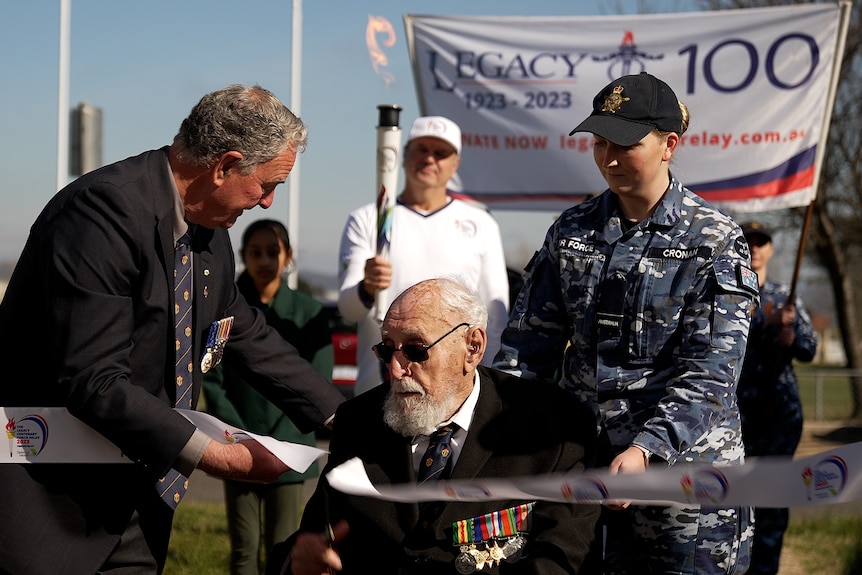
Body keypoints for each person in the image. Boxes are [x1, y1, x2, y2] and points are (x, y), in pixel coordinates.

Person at [0, 84, 345, 575]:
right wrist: (219, 459)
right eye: (266, 185)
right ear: (224, 166)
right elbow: (95, 381)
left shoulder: (211, 236)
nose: (268, 203)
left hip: (141, 505)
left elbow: (247, 336)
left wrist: (348, 421)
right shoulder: (103, 212)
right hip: (53, 506)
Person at [494, 72, 759, 574]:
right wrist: (501, 431)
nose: (609, 159)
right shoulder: (571, 232)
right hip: (584, 472)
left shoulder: (715, 240)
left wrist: (646, 449)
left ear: (669, 145)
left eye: (624, 144)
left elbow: (712, 374)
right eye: (599, 143)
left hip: (684, 486)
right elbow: (528, 348)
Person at [268, 277, 600, 575]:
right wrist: (298, 566)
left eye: (415, 350)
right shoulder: (359, 423)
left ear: (472, 348)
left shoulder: (552, 429)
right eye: (387, 350)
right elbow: (311, 540)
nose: (397, 369)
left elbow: (561, 558)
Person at [337, 115, 510, 396]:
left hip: (454, 394)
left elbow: (495, 317)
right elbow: (348, 309)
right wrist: (367, 287)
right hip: (381, 389)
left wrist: (491, 386)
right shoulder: (367, 219)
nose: (430, 159)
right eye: (421, 149)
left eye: (441, 153)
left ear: (455, 164)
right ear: (403, 155)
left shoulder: (481, 224)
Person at [203, 219, 334, 575]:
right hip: (237, 442)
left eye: (272, 251)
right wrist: (238, 432)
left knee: (285, 548)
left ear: (288, 256)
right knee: (244, 550)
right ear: (243, 256)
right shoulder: (224, 305)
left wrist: (278, 439)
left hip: (290, 449)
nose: (264, 260)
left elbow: (317, 381)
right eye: (255, 252)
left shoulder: (310, 313)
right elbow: (209, 375)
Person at [737, 221, 818, 575]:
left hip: (778, 414)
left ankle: (766, 567)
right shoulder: (729, 291)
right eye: (748, 242)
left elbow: (810, 349)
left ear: (770, 249)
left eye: (761, 242)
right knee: (737, 497)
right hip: (738, 415)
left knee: (773, 497)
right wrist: (764, 325)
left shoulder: (787, 297)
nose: (754, 248)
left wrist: (792, 336)